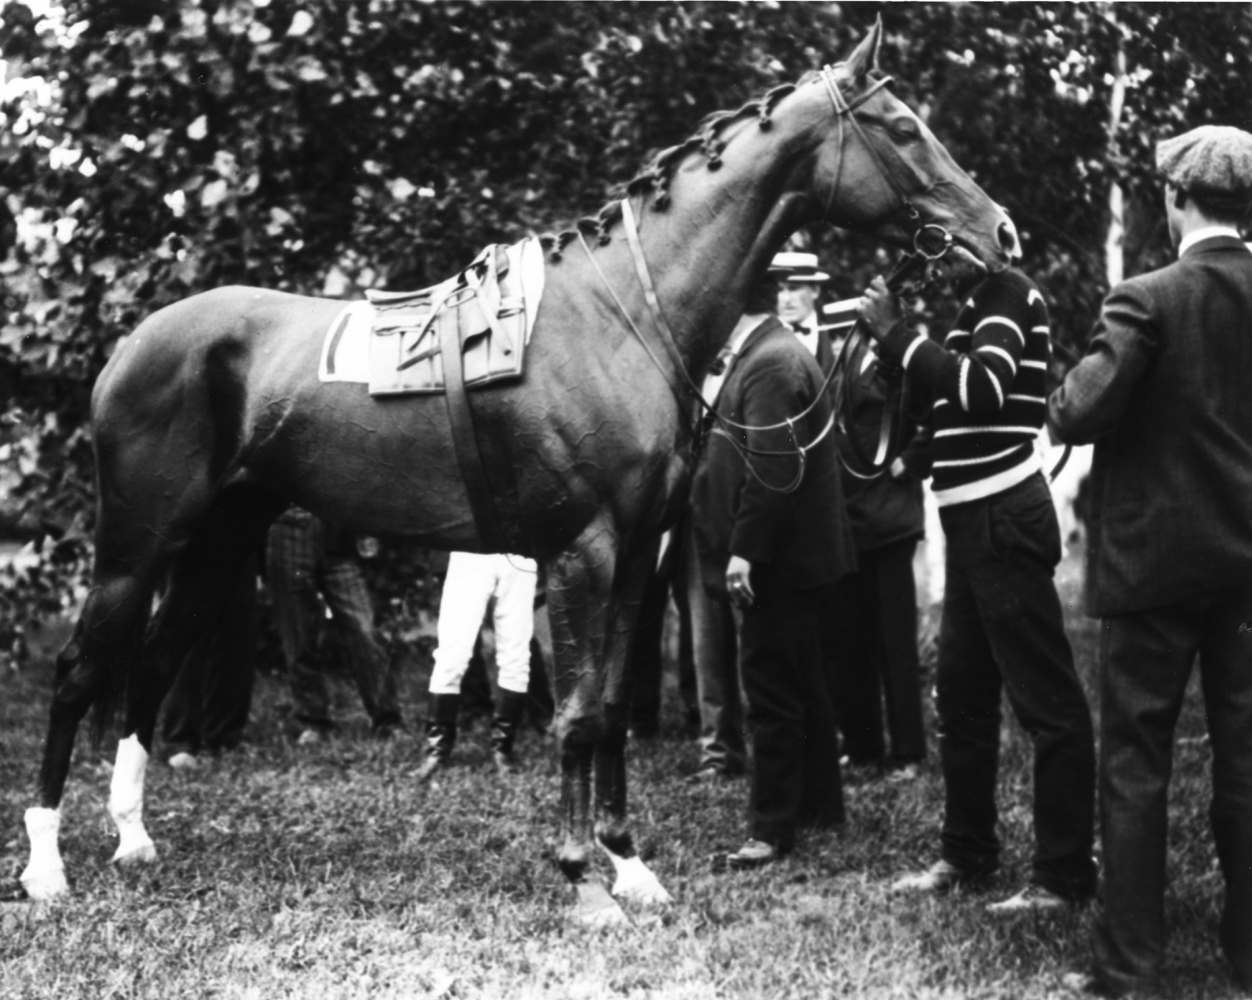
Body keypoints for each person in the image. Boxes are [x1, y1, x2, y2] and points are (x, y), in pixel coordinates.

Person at [1048, 126, 1252, 998]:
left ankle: (1130, 970)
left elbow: (1076, 411)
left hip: (1152, 571)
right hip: (1248, 574)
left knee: (1136, 766)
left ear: (1175, 199)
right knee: (1248, 764)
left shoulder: (1147, 298)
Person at [859, 254, 1097, 913]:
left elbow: (985, 390)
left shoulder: (1008, 294)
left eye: (948, 242)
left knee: (1049, 704)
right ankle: (967, 856)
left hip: (1001, 516)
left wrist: (902, 336)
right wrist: (895, 355)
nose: (936, 259)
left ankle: (1064, 876)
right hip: (972, 520)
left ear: (982, 240)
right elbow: (954, 421)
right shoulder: (974, 307)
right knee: (962, 698)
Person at [692, 269, 856, 868]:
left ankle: (771, 829)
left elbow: (773, 467)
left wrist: (745, 552)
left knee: (770, 692)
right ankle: (819, 806)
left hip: (778, 563)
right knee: (804, 684)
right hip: (792, 557)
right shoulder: (772, 352)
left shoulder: (770, 363)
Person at [266, 507, 402, 742]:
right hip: (287, 538)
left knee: (365, 630)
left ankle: (387, 720)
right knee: (299, 637)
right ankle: (313, 721)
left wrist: (367, 530)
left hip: (339, 540)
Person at [420, 550, 539, 778]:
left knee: (516, 655)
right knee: (452, 655)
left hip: (519, 553)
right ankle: (436, 750)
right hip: (470, 551)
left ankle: (502, 750)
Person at [161, 553, 260, 768]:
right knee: (189, 638)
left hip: (239, 538)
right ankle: (182, 741)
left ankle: (224, 738)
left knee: (237, 634)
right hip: (190, 537)